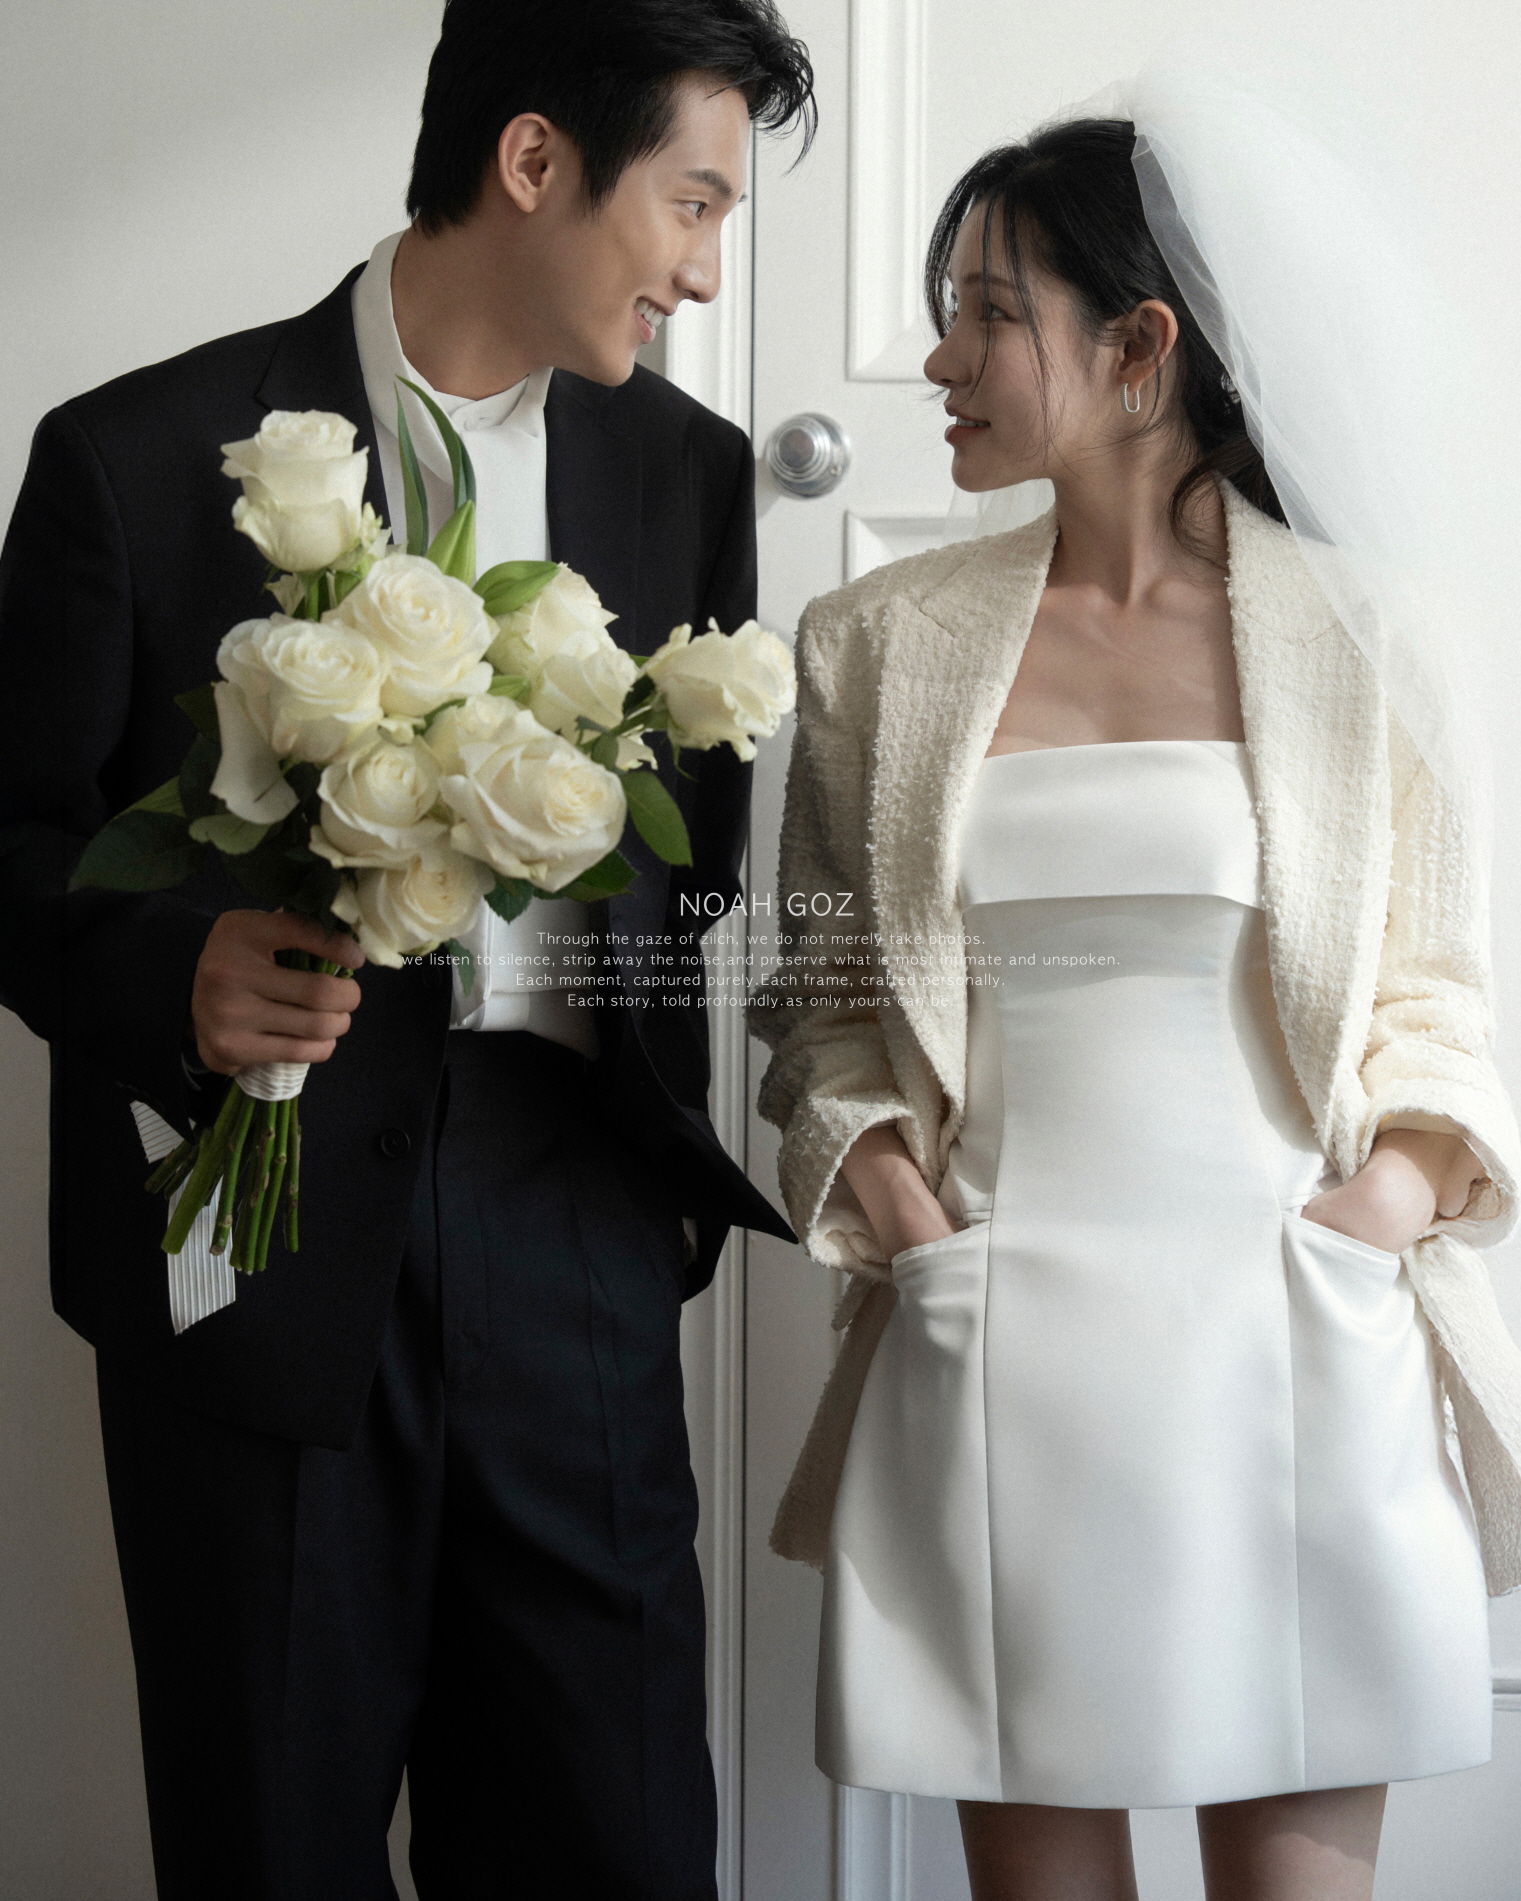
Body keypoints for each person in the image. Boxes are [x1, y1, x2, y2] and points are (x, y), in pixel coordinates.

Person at [0, 3, 812, 1896]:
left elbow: (691, 879)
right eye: (693, 204)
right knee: (271, 1845)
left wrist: (645, 1218)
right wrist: (174, 977)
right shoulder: (136, 454)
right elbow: (11, 836)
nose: (705, 273)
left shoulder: (689, 473)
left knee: (617, 1842)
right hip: (253, 1233)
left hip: (576, 1232)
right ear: (533, 162)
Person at [751, 82, 1521, 1901]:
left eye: (985, 312)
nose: (938, 358)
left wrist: (1375, 1213)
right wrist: (905, 1217)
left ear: (1137, 349)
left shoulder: (1363, 634)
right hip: (992, 1336)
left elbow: (1430, 995)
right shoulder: (872, 644)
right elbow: (824, 1004)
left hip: (1293, 1329)